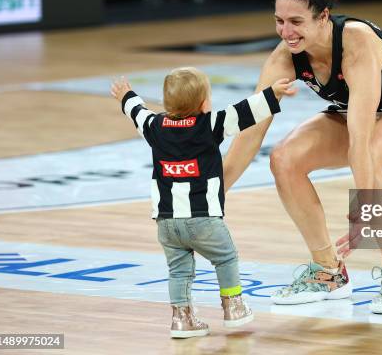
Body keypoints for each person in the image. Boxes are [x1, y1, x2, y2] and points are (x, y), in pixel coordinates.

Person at [222, 0, 382, 314]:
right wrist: (213, 195)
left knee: (369, 151)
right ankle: (328, 271)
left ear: (323, 16)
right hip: (351, 114)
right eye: (278, 21)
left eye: (296, 21)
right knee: (284, 159)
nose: (286, 32)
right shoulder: (285, 55)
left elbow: (360, 135)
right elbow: (251, 129)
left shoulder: (356, 42)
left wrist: (362, 214)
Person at [111, 68, 296, 337]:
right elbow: (245, 112)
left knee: (179, 270)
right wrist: (274, 94)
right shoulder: (210, 124)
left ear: (166, 104)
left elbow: (136, 112)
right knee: (226, 258)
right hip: (204, 219)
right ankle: (233, 307)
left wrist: (126, 94)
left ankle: (181, 319)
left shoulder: (155, 127)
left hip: (167, 222)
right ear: (204, 104)